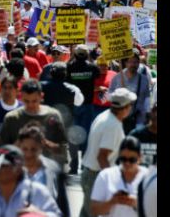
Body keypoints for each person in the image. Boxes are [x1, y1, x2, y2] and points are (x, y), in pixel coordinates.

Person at [80, 87, 137, 217]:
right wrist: (113, 181)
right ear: (125, 107)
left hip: (90, 174)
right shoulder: (113, 125)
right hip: (96, 176)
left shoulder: (105, 116)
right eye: (130, 105)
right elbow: (102, 157)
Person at [0, 79, 69, 168]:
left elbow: (63, 150)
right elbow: (1, 151)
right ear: (21, 97)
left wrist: (45, 143)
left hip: (47, 171)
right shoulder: (12, 118)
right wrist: (20, 142)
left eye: (34, 101)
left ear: (41, 96)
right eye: (26, 101)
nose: (31, 105)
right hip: (19, 172)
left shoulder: (53, 116)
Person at [16, 125, 70, 217]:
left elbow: (62, 207)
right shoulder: (10, 171)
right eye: (25, 149)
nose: (29, 154)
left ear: (41, 147)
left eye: (33, 149)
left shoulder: (54, 170)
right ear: (19, 146)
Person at [90, 137, 148, 217]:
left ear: (140, 158)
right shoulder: (106, 175)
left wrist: (136, 203)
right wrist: (112, 201)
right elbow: (94, 210)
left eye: (132, 160)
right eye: (123, 159)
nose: (127, 163)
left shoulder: (148, 177)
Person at [66, 44, 101, 173]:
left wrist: (70, 58)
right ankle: (85, 165)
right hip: (87, 105)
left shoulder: (69, 66)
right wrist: (91, 59)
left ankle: (73, 165)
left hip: (74, 105)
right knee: (86, 134)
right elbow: (98, 74)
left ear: (75, 54)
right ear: (87, 54)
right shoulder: (92, 67)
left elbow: (65, 74)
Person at [109, 54, 152, 133]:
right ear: (126, 63)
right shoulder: (117, 78)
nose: (133, 64)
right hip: (120, 118)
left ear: (139, 64)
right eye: (130, 62)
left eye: (135, 62)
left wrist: (148, 114)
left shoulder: (144, 79)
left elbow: (147, 99)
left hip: (139, 119)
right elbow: (109, 96)